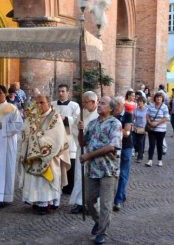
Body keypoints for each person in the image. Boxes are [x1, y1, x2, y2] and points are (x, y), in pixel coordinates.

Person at [79, 96, 122, 244]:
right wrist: (80, 130)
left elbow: (112, 146)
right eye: (99, 103)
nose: (99, 105)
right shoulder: (92, 123)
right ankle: (98, 221)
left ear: (110, 108)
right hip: (92, 169)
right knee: (89, 200)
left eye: (103, 103)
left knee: (105, 204)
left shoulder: (115, 124)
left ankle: (102, 232)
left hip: (108, 170)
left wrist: (88, 155)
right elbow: (83, 142)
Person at [19, 95, 70, 215]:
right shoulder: (31, 117)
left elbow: (56, 137)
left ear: (49, 103)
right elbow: (25, 132)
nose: (39, 105)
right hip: (33, 156)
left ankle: (47, 203)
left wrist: (37, 139)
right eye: (37, 103)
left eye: (42, 102)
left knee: (45, 180)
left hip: (48, 157)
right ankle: (36, 201)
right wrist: (31, 135)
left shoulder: (55, 118)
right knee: (34, 179)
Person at [69, 91, 99, 214]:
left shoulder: (99, 115)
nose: (84, 104)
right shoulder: (82, 114)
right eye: (83, 102)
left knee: (92, 177)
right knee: (79, 176)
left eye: (86, 102)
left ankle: (91, 203)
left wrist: (85, 130)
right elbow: (75, 129)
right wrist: (79, 129)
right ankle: (79, 202)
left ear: (93, 102)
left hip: (94, 151)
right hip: (82, 150)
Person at [51, 84, 80, 195]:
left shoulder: (74, 105)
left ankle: (69, 188)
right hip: (56, 138)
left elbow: (77, 120)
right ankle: (57, 185)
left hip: (69, 138)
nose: (61, 93)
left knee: (69, 163)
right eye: (59, 91)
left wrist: (65, 118)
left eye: (63, 91)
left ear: (68, 92)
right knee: (56, 162)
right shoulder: (52, 104)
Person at [113, 96, 134, 212]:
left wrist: (114, 129)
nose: (114, 107)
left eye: (116, 104)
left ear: (121, 105)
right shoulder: (112, 115)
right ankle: (122, 194)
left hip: (126, 147)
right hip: (115, 147)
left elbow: (126, 133)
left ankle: (117, 200)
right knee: (114, 173)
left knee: (123, 174)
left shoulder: (128, 115)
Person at [145, 92, 169, 167]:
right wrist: (149, 122)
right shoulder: (151, 106)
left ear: (162, 99)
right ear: (155, 98)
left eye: (160, 98)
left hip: (161, 130)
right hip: (151, 129)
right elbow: (147, 115)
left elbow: (166, 118)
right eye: (157, 97)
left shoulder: (164, 107)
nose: (158, 99)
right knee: (151, 145)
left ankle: (160, 160)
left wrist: (157, 123)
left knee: (159, 145)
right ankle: (150, 160)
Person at [132, 96, 148, 163]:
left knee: (141, 143)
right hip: (136, 128)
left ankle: (140, 157)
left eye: (141, 101)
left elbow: (148, 120)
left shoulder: (147, 110)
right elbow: (132, 119)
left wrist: (147, 129)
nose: (139, 103)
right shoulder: (135, 110)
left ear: (144, 102)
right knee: (134, 142)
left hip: (143, 128)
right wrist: (132, 125)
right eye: (138, 101)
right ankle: (137, 152)